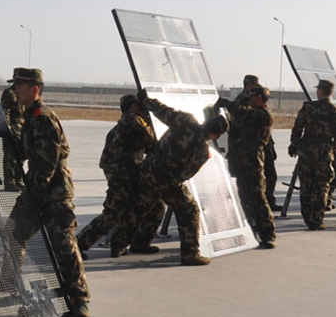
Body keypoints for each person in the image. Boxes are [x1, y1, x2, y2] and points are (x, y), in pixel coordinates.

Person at [0, 68, 91, 317]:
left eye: (20, 86)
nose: (15, 90)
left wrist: (34, 195)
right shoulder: (30, 116)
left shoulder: (42, 117)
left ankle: (79, 300)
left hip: (53, 192)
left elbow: (47, 162)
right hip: (36, 189)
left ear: (35, 88)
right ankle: (7, 280)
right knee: (13, 232)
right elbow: (26, 151)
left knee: (64, 244)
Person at [110, 92, 229, 266]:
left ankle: (122, 244)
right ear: (215, 135)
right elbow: (184, 175)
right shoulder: (202, 152)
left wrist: (147, 100)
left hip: (148, 170)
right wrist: (167, 183)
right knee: (189, 209)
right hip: (166, 180)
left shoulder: (185, 120)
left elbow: (162, 111)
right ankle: (190, 254)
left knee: (141, 207)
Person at [76, 94, 157, 258]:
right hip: (123, 175)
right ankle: (78, 245)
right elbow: (151, 142)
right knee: (113, 214)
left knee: (148, 207)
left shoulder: (122, 124)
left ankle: (125, 244)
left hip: (123, 173)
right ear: (134, 106)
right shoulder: (134, 120)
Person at [289, 80, 336, 230]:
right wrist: (331, 149)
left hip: (307, 150)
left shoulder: (308, 107)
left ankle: (307, 217)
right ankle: (316, 220)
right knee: (321, 187)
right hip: (324, 152)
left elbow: (298, 127)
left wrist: (294, 144)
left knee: (306, 185)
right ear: (330, 92)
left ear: (320, 91)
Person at [230, 85, 277, 248]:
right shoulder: (254, 112)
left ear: (259, 98)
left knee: (258, 195)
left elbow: (241, 113)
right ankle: (252, 230)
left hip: (253, 158)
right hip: (243, 158)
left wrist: (232, 103)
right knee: (244, 195)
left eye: (252, 97)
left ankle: (268, 233)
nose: (249, 100)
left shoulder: (263, 114)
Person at [0, 84, 25, 192]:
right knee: (10, 157)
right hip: (12, 130)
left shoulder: (24, 92)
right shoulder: (9, 93)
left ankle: (19, 180)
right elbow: (5, 111)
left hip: (23, 130)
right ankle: (9, 182)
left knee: (21, 157)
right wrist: (8, 128)